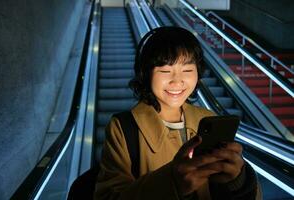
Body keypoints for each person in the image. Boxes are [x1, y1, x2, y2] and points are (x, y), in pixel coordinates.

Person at [94, 27, 260, 200]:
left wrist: (239, 181)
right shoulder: (123, 127)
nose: (177, 81)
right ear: (145, 73)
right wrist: (172, 183)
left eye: (187, 70)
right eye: (165, 71)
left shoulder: (209, 119)